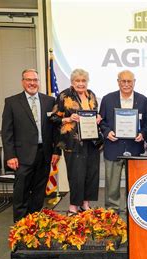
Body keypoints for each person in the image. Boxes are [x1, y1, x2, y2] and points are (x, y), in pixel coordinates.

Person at [2, 69, 61, 222]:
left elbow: (55, 129)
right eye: (28, 80)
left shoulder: (49, 101)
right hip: (21, 157)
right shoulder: (12, 102)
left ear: (39, 82)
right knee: (21, 193)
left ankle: (33, 224)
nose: (32, 83)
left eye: (35, 80)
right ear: (23, 82)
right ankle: (20, 228)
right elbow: (7, 132)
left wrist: (56, 151)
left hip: (45, 154)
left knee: (39, 192)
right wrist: (10, 155)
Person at [51, 69, 101, 216]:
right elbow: (53, 118)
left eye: (83, 81)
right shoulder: (64, 96)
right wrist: (68, 118)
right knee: (76, 175)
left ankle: (85, 204)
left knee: (91, 173)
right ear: (72, 82)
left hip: (91, 141)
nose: (81, 84)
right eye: (77, 81)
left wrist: (98, 118)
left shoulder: (91, 95)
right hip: (72, 143)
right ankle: (73, 206)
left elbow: (94, 113)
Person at [99, 70, 147, 212]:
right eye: (123, 81)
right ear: (118, 82)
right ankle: (112, 211)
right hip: (113, 147)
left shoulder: (143, 100)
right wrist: (107, 132)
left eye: (129, 81)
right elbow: (101, 121)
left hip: (134, 148)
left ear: (134, 82)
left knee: (134, 183)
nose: (126, 84)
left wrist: (143, 134)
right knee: (112, 184)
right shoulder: (107, 99)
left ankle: (132, 209)